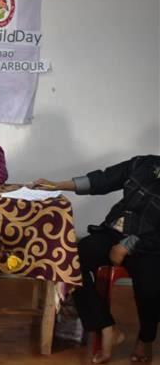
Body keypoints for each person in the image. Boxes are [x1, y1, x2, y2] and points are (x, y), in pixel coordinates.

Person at [33, 155, 160, 364]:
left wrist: (128, 245)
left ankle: (146, 338)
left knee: (150, 287)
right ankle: (106, 327)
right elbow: (103, 179)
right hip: (114, 232)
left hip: (150, 245)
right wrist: (57, 185)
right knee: (71, 261)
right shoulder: (144, 163)